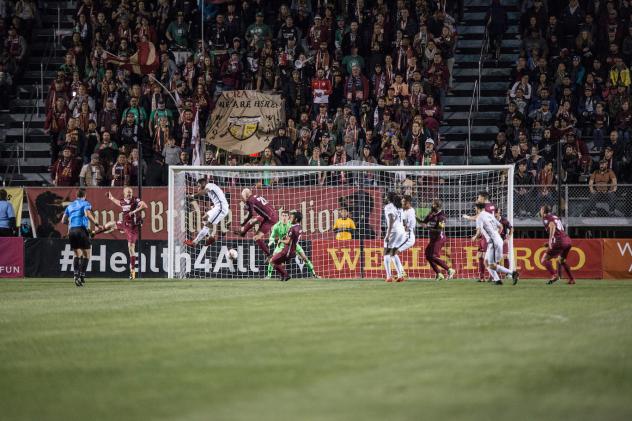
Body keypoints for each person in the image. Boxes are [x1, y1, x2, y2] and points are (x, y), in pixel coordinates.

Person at [94, 188, 147, 280]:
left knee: (131, 248)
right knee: (110, 224)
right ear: (124, 193)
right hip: (124, 224)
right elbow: (119, 203)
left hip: (132, 228)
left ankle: (132, 272)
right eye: (128, 192)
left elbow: (144, 205)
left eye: (131, 192)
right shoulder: (123, 201)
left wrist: (134, 212)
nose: (130, 194)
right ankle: (93, 233)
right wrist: (111, 197)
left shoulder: (135, 200)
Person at [60, 188, 100, 287]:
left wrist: (71, 223)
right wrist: (95, 222)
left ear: (76, 196)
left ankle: (75, 275)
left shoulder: (70, 205)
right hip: (81, 230)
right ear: (84, 196)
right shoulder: (85, 203)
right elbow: (87, 213)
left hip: (72, 231)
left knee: (77, 254)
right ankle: (82, 275)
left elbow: (63, 221)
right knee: (87, 254)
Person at [472, 203, 519, 285]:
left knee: (493, 264)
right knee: (486, 262)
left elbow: (479, 231)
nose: (475, 210)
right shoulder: (489, 217)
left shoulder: (481, 217)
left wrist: (475, 237)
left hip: (495, 243)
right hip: (494, 241)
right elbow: (499, 227)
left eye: (475, 208)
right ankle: (497, 280)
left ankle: (512, 273)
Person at [265, 210, 318, 279]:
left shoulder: (292, 225)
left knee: (304, 257)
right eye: (283, 216)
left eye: (286, 216)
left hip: (292, 244)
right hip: (281, 245)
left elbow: (294, 235)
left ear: (288, 217)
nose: (284, 217)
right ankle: (269, 276)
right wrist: (271, 240)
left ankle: (314, 274)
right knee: (273, 258)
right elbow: (272, 236)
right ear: (281, 216)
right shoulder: (276, 226)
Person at [184, 178, 230, 248]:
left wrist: (192, 196)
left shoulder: (209, 185)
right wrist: (213, 207)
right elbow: (219, 197)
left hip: (221, 208)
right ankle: (210, 237)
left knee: (208, 225)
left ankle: (195, 242)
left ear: (203, 183)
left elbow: (204, 192)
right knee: (205, 218)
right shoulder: (211, 188)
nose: (198, 188)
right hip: (218, 207)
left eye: (199, 186)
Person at [462, 191, 497, 282]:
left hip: (487, 235)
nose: (478, 199)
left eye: (479, 197)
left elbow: (478, 216)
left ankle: (493, 277)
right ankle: (482, 277)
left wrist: (467, 217)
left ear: (483, 198)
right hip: (484, 234)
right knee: (480, 255)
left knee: (487, 257)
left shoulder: (486, 207)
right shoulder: (492, 205)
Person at [235, 188, 279, 259]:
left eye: (242, 196)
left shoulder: (250, 200)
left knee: (256, 237)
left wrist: (244, 223)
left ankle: (269, 255)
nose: (242, 198)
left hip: (270, 219)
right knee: (254, 220)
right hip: (271, 215)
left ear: (245, 195)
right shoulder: (256, 196)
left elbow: (251, 214)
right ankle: (243, 233)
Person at [420, 199, 456, 281]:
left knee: (433, 256)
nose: (431, 206)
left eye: (433, 204)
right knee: (428, 255)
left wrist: (428, 227)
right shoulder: (431, 214)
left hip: (439, 239)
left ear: (437, 206)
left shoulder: (442, 216)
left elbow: (439, 230)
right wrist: (415, 217)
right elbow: (423, 223)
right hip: (433, 238)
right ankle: (439, 274)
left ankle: (449, 270)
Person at [540, 205, 575, 285]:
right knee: (561, 260)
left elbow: (552, 226)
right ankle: (572, 279)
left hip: (559, 241)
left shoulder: (546, 218)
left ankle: (554, 275)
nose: (540, 212)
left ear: (544, 211)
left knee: (544, 260)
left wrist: (550, 241)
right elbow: (558, 230)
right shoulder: (554, 216)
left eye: (541, 210)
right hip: (567, 241)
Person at [270, 211, 303, 282]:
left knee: (272, 261)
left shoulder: (292, 229)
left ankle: (286, 275)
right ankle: (282, 277)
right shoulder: (299, 227)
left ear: (296, 219)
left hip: (287, 251)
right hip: (292, 251)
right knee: (278, 263)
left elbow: (288, 241)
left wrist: (280, 241)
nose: (290, 219)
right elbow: (291, 237)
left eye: (291, 217)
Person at [383, 192, 406, 283]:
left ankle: (389, 277)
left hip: (394, 231)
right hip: (401, 231)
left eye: (386, 196)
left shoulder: (389, 206)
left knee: (386, 252)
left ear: (389, 198)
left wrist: (388, 234)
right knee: (393, 253)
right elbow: (404, 221)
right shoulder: (399, 207)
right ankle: (400, 275)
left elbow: (391, 219)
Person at [495, 209, 514, 277]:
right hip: (495, 241)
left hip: (503, 240)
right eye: (494, 213)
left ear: (499, 213)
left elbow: (511, 228)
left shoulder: (504, 220)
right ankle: (496, 275)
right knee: (495, 258)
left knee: (505, 256)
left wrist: (508, 238)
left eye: (496, 213)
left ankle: (507, 273)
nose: (495, 214)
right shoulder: (492, 220)